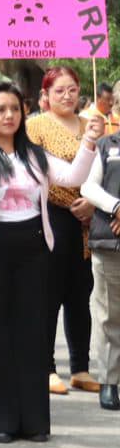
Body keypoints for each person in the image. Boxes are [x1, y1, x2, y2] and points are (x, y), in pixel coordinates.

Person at [0, 82, 100, 442]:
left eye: (15, 109)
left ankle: (32, 421)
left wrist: (89, 142)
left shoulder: (33, 154)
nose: (8, 116)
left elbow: (72, 177)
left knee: (30, 332)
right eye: (0, 110)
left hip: (33, 249)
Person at [27, 66, 101, 395]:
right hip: (53, 214)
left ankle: (81, 366)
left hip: (88, 219)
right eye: (59, 90)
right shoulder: (36, 126)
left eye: (72, 89)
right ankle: (45, 366)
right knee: (48, 293)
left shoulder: (92, 125)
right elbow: (42, 172)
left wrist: (92, 203)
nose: (67, 96)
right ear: (46, 95)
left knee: (80, 293)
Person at [81, 121, 120, 411]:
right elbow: (88, 186)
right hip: (111, 242)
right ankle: (109, 381)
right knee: (108, 315)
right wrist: (117, 207)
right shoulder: (107, 145)